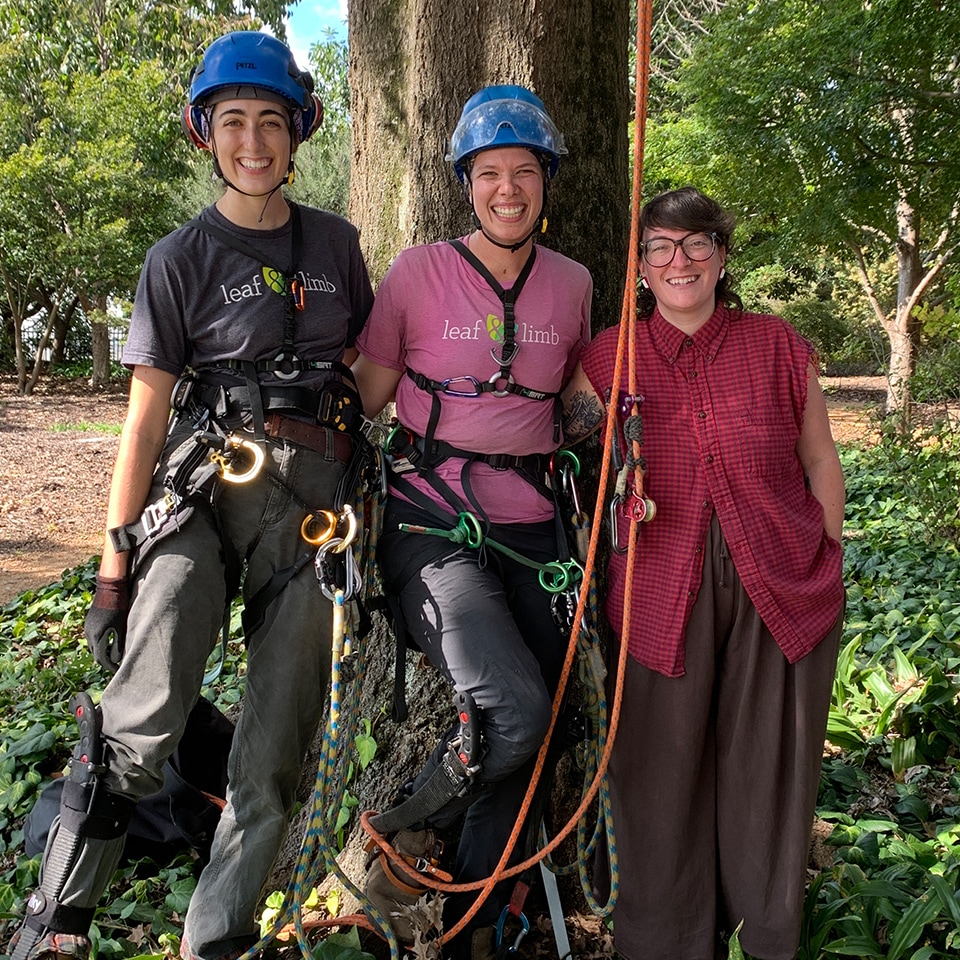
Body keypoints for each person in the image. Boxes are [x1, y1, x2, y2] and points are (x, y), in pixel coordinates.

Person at [8, 31, 373, 960]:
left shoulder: (336, 244)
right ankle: (54, 926)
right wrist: (111, 565)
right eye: (234, 121)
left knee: (272, 759)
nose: (254, 141)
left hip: (314, 516)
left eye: (272, 122)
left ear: (299, 134)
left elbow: (371, 370)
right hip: (202, 499)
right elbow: (143, 417)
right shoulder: (179, 258)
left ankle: (214, 939)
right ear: (206, 133)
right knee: (142, 722)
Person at [561, 186, 845, 960]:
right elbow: (559, 451)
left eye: (694, 245)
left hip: (780, 587)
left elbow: (821, 460)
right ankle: (666, 942)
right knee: (656, 777)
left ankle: (767, 936)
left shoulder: (778, 344)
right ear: (641, 265)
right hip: (656, 590)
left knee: (766, 775)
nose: (678, 260)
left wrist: (828, 555)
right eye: (659, 246)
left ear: (721, 256)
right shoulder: (605, 357)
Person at [351, 85, 592, 957]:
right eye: (489, 172)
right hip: (432, 526)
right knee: (513, 710)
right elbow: (365, 398)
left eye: (524, 171)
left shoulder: (574, 283)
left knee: (546, 719)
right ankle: (402, 828)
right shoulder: (416, 274)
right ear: (466, 182)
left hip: (536, 532)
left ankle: (471, 924)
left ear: (546, 181)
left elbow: (578, 398)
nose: (507, 189)